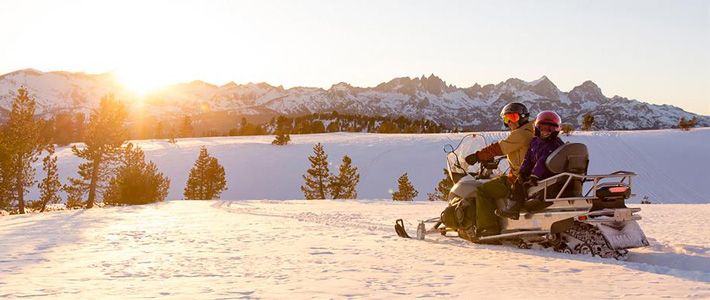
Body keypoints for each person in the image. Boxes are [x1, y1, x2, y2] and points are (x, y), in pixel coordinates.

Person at [464, 102, 534, 237]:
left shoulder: (521, 134)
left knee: (483, 190)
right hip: (527, 176)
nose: (509, 123)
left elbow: (499, 147)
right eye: (506, 119)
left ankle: (487, 228)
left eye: (513, 118)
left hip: (518, 179)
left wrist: (477, 156)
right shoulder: (531, 130)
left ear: (523, 117)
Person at [495, 111, 565, 219]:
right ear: (537, 128)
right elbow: (528, 158)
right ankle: (515, 206)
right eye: (542, 128)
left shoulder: (555, 144)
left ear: (556, 130)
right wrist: (523, 172)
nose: (545, 131)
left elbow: (543, 162)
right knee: (517, 182)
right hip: (537, 174)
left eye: (550, 129)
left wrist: (534, 176)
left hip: (548, 174)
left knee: (520, 185)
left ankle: (514, 209)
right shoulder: (535, 141)